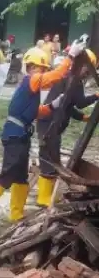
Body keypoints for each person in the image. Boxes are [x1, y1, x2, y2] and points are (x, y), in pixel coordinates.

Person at [0, 40, 87, 227]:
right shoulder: (31, 80)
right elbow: (55, 76)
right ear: (32, 67)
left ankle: (16, 214)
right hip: (15, 135)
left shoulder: (30, 88)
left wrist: (51, 106)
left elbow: (34, 112)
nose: (42, 72)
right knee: (8, 174)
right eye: (41, 68)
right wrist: (70, 57)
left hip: (21, 135)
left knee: (20, 176)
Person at [36, 47, 99, 206]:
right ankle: (43, 197)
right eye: (88, 67)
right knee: (49, 158)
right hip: (49, 123)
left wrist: (83, 117)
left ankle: (47, 194)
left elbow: (68, 106)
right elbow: (80, 102)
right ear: (84, 65)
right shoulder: (73, 80)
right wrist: (96, 95)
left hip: (50, 122)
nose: (88, 72)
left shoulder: (71, 79)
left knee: (51, 156)